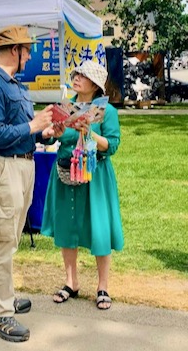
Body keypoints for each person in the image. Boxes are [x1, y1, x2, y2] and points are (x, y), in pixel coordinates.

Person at [0, 25, 54, 342]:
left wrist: (43, 131)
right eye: (27, 50)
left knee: (10, 239)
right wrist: (33, 124)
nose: (30, 56)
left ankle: (0, 296)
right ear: (15, 50)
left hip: (22, 165)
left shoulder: (12, 83)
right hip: (4, 169)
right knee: (2, 241)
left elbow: (18, 128)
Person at [41, 60, 123, 311]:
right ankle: (71, 282)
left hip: (95, 175)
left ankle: (103, 286)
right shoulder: (66, 106)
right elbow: (54, 135)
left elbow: (112, 145)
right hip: (66, 171)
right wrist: (52, 132)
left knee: (99, 227)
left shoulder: (106, 112)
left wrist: (90, 133)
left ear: (95, 85)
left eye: (83, 76)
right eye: (76, 74)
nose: (76, 78)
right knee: (67, 225)